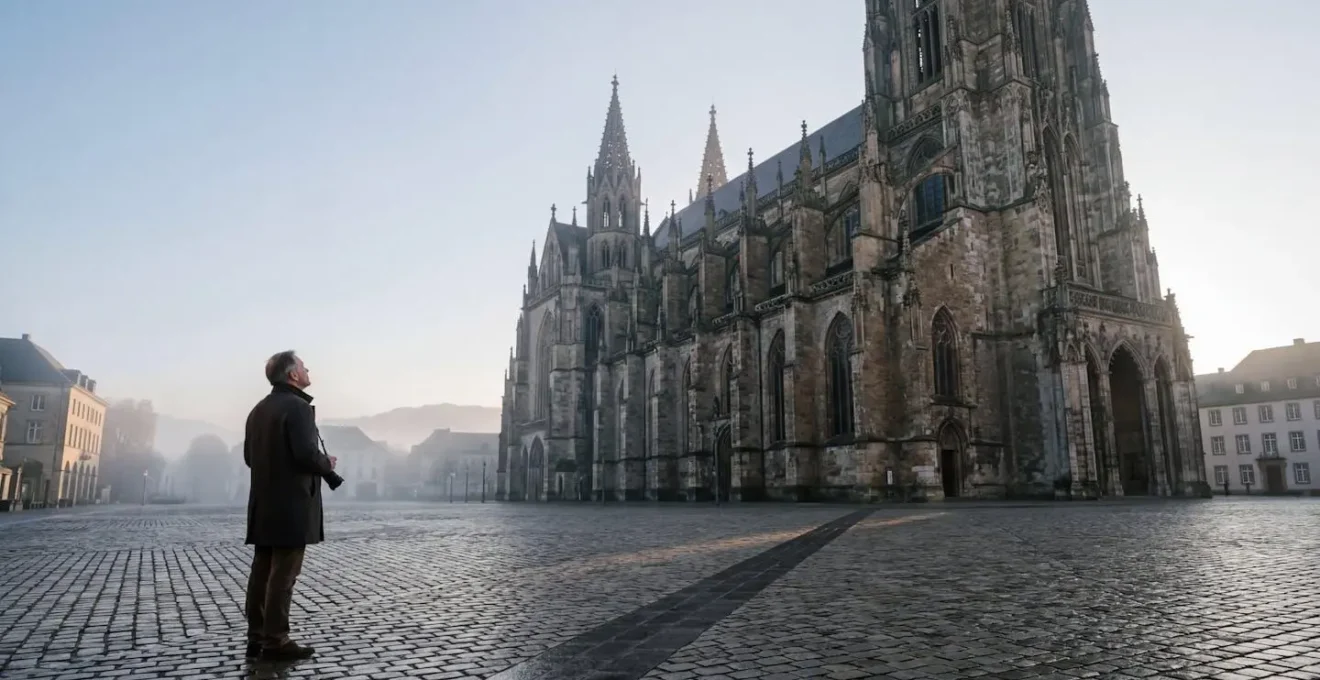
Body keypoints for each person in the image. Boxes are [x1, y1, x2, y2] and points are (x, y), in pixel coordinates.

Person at [242, 350, 342, 661]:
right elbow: (305, 454)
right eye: (303, 366)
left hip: (263, 504)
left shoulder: (258, 410)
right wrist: (326, 463)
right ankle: (276, 641)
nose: (307, 369)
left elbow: (249, 457)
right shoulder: (298, 408)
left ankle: (256, 638)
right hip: (292, 505)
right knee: (283, 576)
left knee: (261, 573)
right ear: (293, 375)